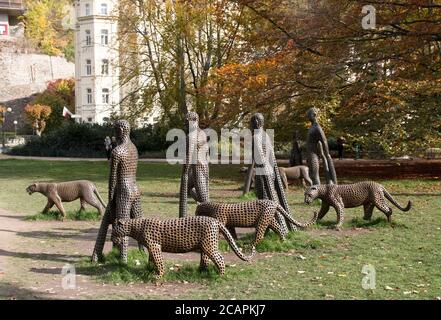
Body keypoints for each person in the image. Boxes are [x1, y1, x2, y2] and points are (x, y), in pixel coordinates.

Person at [306, 107, 337, 185]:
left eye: (309, 115)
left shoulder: (317, 128)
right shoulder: (312, 127)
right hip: (310, 154)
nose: (307, 117)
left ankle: (317, 192)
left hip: (314, 155)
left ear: (314, 115)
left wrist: (327, 154)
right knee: (312, 175)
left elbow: (324, 141)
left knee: (314, 175)